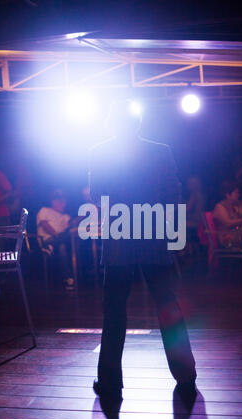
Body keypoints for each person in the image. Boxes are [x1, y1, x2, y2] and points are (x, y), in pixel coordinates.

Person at [89, 100, 196, 401]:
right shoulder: (160, 151)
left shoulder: (99, 152)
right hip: (153, 236)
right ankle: (185, 377)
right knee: (168, 307)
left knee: (114, 312)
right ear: (138, 124)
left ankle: (110, 383)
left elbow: (98, 196)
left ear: (111, 124)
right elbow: (173, 194)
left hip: (120, 237)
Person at [37, 190, 74, 291]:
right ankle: (49, 246)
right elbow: (44, 225)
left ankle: (68, 278)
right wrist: (56, 235)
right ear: (53, 202)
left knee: (62, 246)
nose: (63, 203)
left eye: (64, 201)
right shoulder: (44, 210)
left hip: (61, 241)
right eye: (60, 201)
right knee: (64, 239)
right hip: (47, 239)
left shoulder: (65, 216)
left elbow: (72, 225)